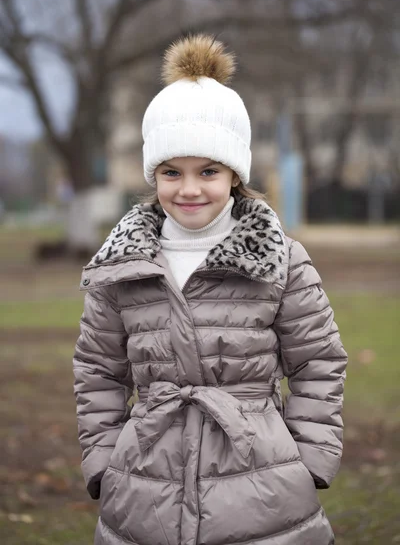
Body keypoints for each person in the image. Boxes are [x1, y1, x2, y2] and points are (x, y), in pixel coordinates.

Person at [73, 34, 347, 545]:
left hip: (265, 488)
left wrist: (310, 459)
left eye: (209, 171)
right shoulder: (121, 265)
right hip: (143, 490)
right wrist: (104, 460)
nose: (190, 189)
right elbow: (98, 369)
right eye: (172, 172)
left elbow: (318, 362)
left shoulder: (281, 259)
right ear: (154, 174)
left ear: (235, 175)